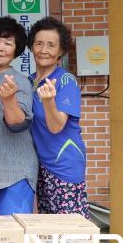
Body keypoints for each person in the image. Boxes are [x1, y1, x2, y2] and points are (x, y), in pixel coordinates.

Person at [28, 16, 89, 218]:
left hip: (64, 164)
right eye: (39, 43)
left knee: (71, 229)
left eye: (51, 45)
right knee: (50, 228)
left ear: (61, 51)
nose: (44, 50)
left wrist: (48, 102)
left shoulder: (65, 80)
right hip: (42, 164)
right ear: (31, 47)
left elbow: (56, 126)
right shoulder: (29, 81)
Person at [0, 17, 38, 215]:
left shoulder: (18, 81)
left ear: (16, 50)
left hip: (14, 172)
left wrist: (8, 99)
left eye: (8, 43)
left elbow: (18, 123)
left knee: (14, 237)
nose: (0, 47)